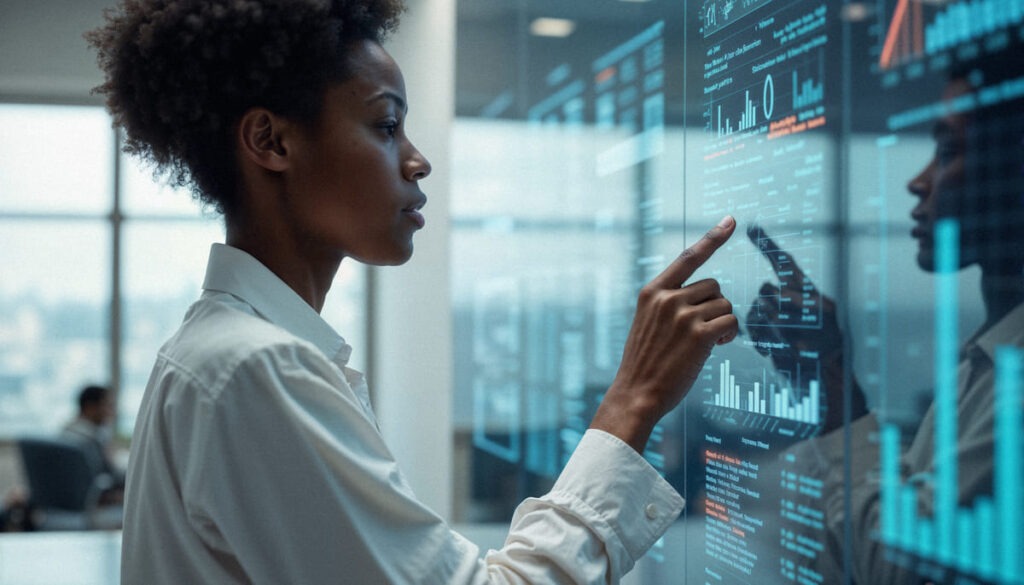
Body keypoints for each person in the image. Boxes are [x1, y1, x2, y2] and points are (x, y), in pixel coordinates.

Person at [86, 1, 739, 583]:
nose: (417, 160)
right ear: (271, 141)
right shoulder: (255, 368)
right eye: (386, 125)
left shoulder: (221, 354)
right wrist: (634, 400)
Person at [746, 51, 1024, 584]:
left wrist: (833, 384)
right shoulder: (983, 363)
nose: (918, 181)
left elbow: (894, 569)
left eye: (947, 152)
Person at [60, 385, 126, 497]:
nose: (112, 412)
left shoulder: (67, 432)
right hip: (95, 498)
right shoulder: (90, 440)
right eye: (108, 406)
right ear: (90, 407)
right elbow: (113, 475)